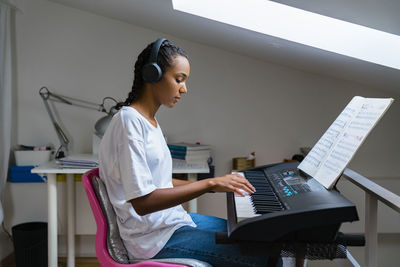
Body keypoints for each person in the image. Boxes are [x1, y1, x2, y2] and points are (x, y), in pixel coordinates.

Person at [99, 38, 280, 267]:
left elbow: (159, 182)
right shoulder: (129, 122)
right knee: (261, 257)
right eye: (179, 79)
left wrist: (219, 184)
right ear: (153, 75)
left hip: (172, 223)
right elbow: (143, 202)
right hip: (152, 240)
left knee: (255, 237)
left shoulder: (149, 121)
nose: (184, 89)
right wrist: (209, 185)